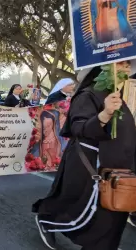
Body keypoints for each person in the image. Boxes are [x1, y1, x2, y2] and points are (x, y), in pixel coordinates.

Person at [33, 65, 136, 250]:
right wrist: (104, 114)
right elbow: (79, 128)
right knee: (79, 209)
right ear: (102, 68)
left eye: (128, 63)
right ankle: (46, 219)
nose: (126, 67)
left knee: (113, 216)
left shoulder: (119, 96)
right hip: (91, 165)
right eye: (120, 63)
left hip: (119, 170)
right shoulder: (88, 94)